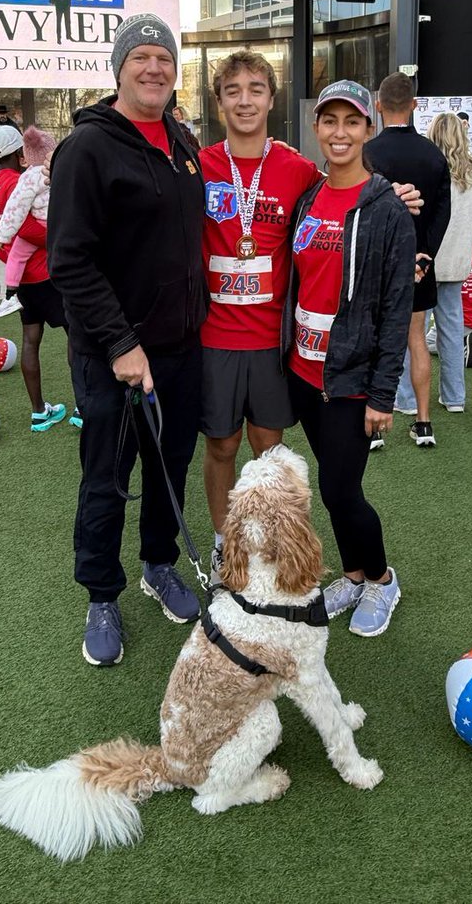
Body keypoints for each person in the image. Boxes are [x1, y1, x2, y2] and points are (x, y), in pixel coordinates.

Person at [47, 13, 207, 668]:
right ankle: (102, 594)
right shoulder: (88, 149)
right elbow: (70, 261)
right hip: (112, 358)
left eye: (164, 58)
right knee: (107, 480)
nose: (154, 68)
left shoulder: (184, 142)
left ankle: (158, 565)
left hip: (179, 349)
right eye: (141, 56)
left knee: (170, 467)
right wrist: (119, 343)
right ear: (119, 68)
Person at [283, 80, 415, 637]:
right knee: (332, 483)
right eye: (329, 121)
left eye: (352, 122)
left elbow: (394, 308)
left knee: (341, 488)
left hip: (353, 379)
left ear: (369, 128)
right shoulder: (309, 198)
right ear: (317, 128)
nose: (340, 132)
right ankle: (355, 573)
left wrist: (384, 393)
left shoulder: (386, 209)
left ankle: (383, 579)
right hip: (304, 373)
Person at [199, 50, 323, 578]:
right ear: (219, 101)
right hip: (213, 338)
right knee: (222, 444)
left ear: (271, 99)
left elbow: (348, 200)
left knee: (268, 449)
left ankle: (267, 543)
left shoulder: (298, 170)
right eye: (233, 90)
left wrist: (399, 196)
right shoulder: (197, 166)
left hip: (273, 340)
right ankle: (225, 543)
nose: (244, 99)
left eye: (255, 89)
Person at [368, 72, 451, 448]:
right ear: (415, 105)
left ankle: (372, 427)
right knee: (416, 339)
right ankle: (423, 421)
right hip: (421, 266)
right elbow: (441, 215)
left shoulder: (367, 153)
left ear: (379, 105)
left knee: (372, 340)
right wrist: (424, 258)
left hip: (375, 264)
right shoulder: (434, 155)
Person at [0, 125, 68, 433]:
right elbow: (30, 227)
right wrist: (62, 241)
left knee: (30, 342)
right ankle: (84, 408)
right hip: (48, 273)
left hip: (23, 283)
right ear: (20, 153)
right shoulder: (21, 180)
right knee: (79, 338)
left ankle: (38, 412)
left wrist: (15, 267)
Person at [394, 112, 472, 414]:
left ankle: (405, 398)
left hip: (427, 260)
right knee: (452, 331)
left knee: (413, 333)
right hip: (456, 262)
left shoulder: (427, 169)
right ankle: (455, 396)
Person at [0, 125, 57, 318]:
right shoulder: (61, 168)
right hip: (61, 222)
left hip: (41, 226)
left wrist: (3, 235)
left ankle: (10, 295)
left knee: (16, 256)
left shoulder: (27, 178)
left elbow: (16, 208)